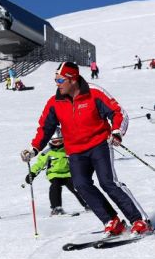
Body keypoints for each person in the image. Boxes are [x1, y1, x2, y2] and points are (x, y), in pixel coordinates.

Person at [21, 61, 152, 237]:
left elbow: (118, 112)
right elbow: (45, 128)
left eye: (60, 80)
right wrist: (34, 149)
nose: (56, 84)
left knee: (108, 182)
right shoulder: (55, 102)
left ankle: (139, 220)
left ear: (72, 80)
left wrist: (117, 132)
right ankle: (111, 221)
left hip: (99, 144)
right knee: (81, 184)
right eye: (55, 80)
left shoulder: (94, 93)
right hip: (75, 150)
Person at [25, 127, 89, 216]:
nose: (58, 143)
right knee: (55, 186)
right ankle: (56, 208)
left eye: (60, 141)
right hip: (54, 174)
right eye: (55, 142)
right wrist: (32, 173)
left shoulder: (68, 149)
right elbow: (39, 164)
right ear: (50, 141)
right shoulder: (47, 152)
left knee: (77, 186)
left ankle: (88, 203)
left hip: (68, 173)